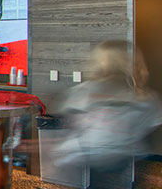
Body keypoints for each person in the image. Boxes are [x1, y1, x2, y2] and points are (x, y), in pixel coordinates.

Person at [51, 41, 162, 170]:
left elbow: (72, 122)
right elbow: (150, 123)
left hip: (81, 157)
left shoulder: (83, 92)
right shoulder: (148, 99)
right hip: (126, 158)